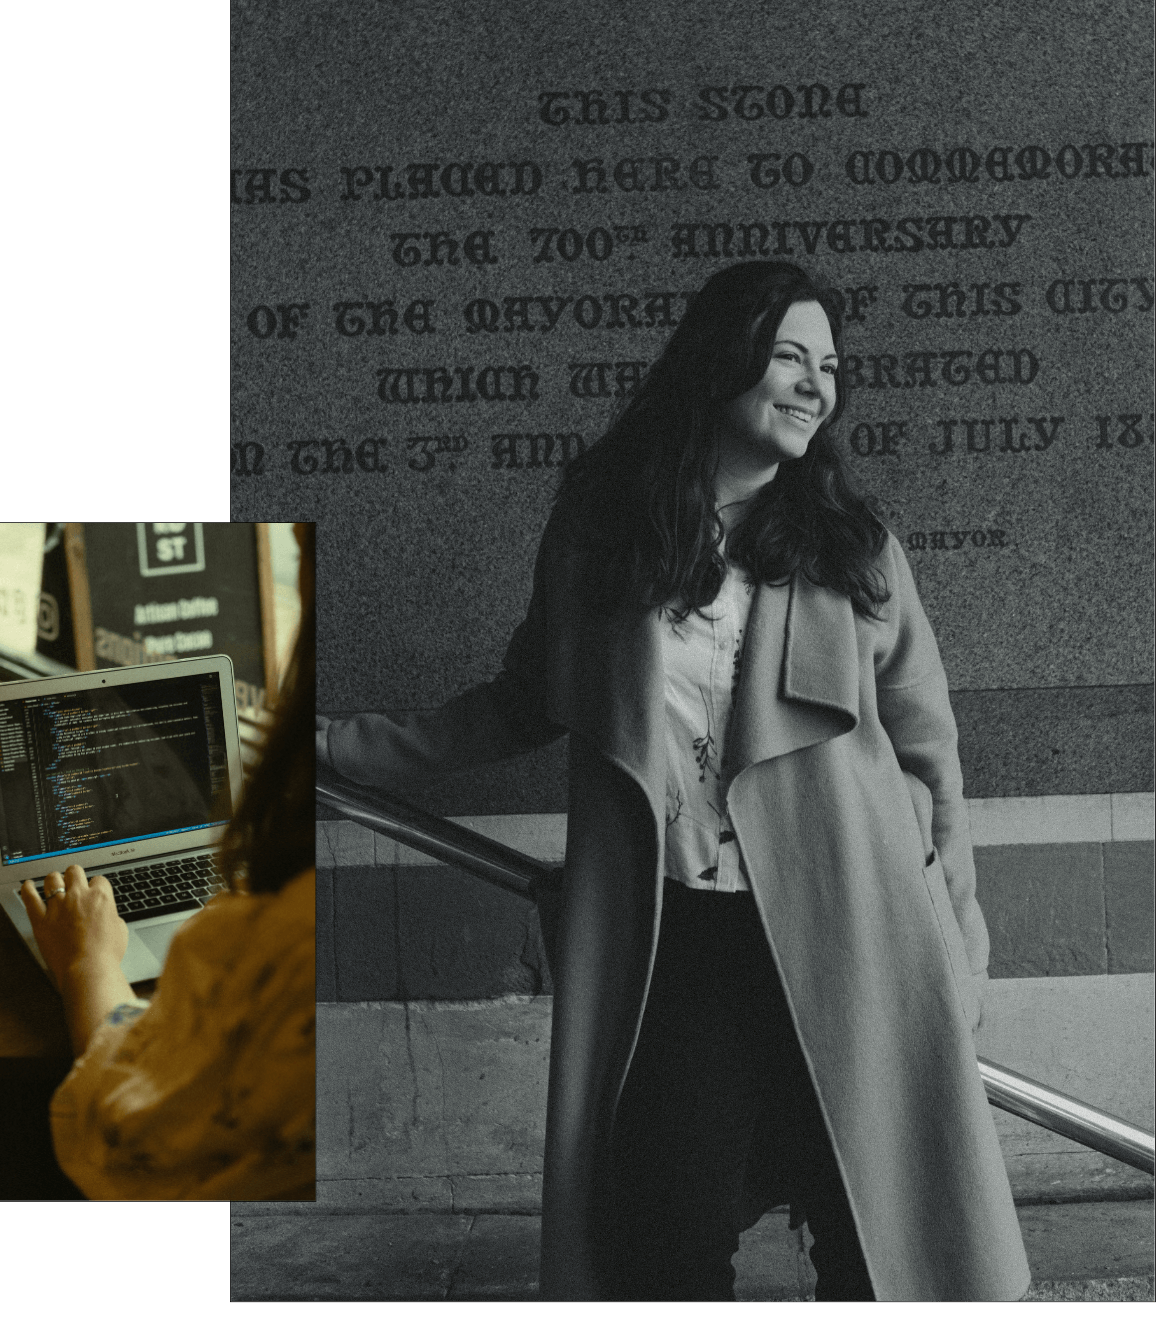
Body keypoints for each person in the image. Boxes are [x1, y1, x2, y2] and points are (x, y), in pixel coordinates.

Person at [317, 264, 1032, 1300]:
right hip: (683, 937)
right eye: (789, 356)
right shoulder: (605, 537)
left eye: (829, 366)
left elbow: (932, 761)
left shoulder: (857, 552)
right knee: (668, 1234)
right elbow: (524, 701)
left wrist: (959, 938)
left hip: (857, 928)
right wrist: (338, 747)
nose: (814, 386)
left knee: (875, 1238)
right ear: (720, 361)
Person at [23, 523, 315, 1201]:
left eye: (302, 543)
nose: (294, 537)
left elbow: (127, 1138)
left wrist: (90, 964)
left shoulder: (265, 949)